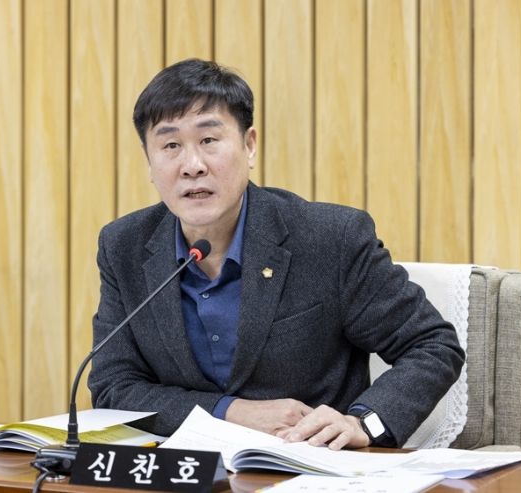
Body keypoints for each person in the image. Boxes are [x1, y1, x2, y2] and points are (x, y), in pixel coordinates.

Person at [87, 58, 465, 450]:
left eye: (209, 140)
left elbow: (432, 345)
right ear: (149, 161)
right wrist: (230, 411)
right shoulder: (124, 246)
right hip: (186, 469)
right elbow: (114, 386)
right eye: (170, 146)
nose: (192, 166)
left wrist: (362, 423)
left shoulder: (329, 238)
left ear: (249, 145)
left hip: (311, 465)